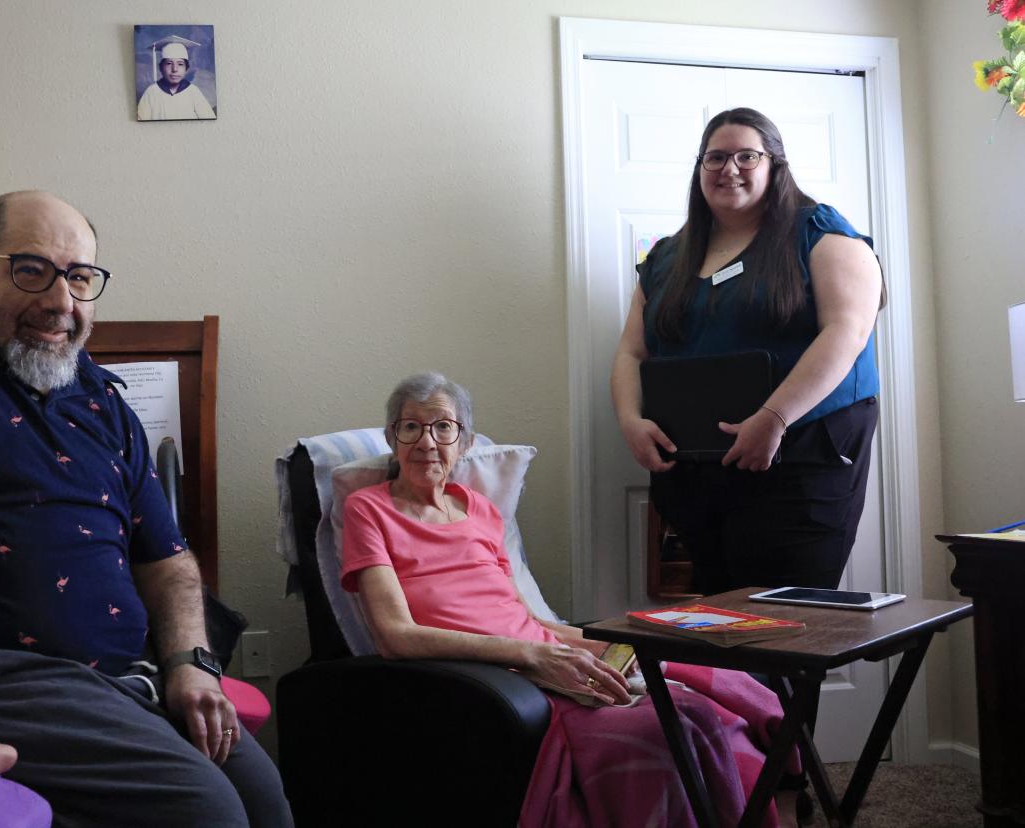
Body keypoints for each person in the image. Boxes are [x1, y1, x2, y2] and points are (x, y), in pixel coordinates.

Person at [0, 190, 291, 827]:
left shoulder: (101, 398)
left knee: (267, 802)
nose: (61, 302)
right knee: (203, 811)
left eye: (81, 277)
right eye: (32, 269)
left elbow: (168, 561)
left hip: (119, 680)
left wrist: (192, 665)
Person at [339, 372, 802, 827]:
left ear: (465, 442)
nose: (426, 441)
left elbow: (522, 615)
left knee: (720, 694)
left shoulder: (479, 508)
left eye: (444, 426)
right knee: (664, 731)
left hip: (546, 649)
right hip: (499, 671)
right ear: (391, 438)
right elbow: (396, 636)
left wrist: (618, 640)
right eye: (410, 426)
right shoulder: (369, 509)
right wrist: (533, 656)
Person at [611, 107, 884, 596]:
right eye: (714, 158)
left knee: (788, 624)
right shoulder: (666, 258)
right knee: (723, 622)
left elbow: (848, 330)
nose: (728, 168)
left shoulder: (818, 231)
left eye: (746, 156)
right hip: (698, 470)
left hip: (800, 458)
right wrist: (631, 421)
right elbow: (632, 352)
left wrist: (774, 418)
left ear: (775, 165)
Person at [137, 41, 216, 121]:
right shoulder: (151, 92)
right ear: (161, 67)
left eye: (180, 64)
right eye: (169, 63)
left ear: (186, 68)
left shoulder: (193, 91)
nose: (174, 69)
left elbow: (208, 120)